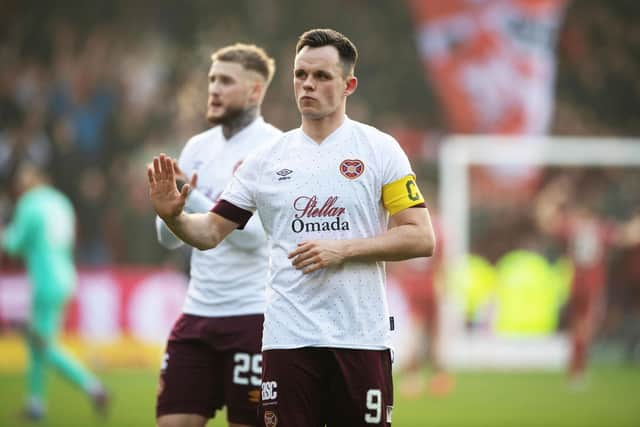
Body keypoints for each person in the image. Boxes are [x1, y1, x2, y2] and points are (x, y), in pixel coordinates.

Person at [148, 29, 436, 426]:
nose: (307, 85)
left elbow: (421, 236)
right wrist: (174, 216)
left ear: (348, 84)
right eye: (301, 75)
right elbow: (210, 233)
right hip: (288, 340)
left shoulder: (379, 149)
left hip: (359, 338)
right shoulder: (265, 160)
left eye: (321, 76)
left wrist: (343, 249)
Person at [154, 44, 281, 427]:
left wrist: (200, 200)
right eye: (212, 79)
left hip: (252, 318)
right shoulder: (197, 147)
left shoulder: (274, 147)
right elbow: (169, 239)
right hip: (198, 314)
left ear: (255, 91)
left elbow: (253, 237)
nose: (214, 88)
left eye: (226, 81)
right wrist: (171, 211)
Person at [0, 160, 108, 421]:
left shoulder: (30, 203)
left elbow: (13, 245)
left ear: (34, 178)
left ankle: (92, 386)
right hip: (65, 275)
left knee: (41, 343)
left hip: (46, 279)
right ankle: (35, 404)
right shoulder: (61, 201)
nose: (20, 183)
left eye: (23, 177)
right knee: (39, 342)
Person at [535, 174, 640, 386]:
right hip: (592, 284)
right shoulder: (598, 229)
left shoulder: (572, 227)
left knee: (578, 325)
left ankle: (576, 368)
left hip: (574, 282)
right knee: (586, 327)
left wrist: (551, 195)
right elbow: (629, 235)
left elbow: (545, 220)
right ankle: (577, 370)